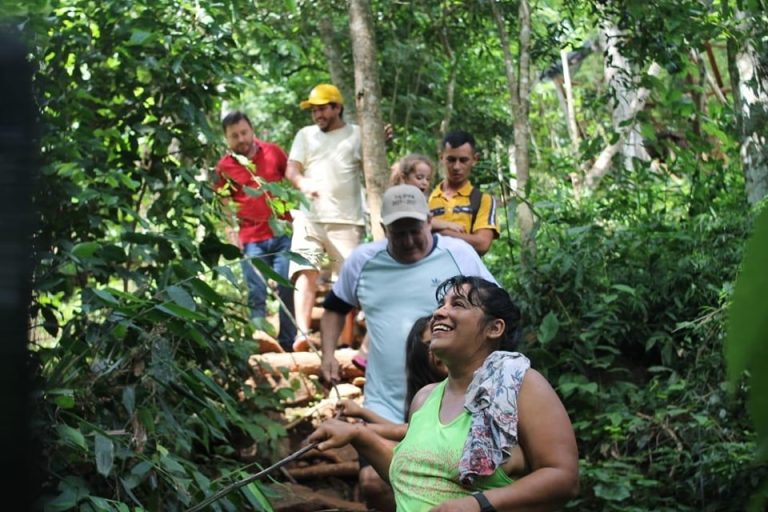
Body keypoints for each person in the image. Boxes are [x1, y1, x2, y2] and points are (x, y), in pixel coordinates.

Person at [310, 275, 580, 511]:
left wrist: (478, 504)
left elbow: (563, 477)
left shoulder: (520, 385)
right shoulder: (425, 398)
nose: (439, 312)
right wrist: (358, 435)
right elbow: (417, 476)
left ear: (494, 328)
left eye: (458, 305)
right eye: (440, 305)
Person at [320, 184, 497, 511]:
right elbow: (333, 308)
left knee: (448, 482)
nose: (408, 240)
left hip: (450, 401)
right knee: (375, 482)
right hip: (385, 400)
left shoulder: (458, 254)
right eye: (398, 233)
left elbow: (496, 312)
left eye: (415, 230)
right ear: (384, 229)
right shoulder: (363, 261)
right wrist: (328, 354)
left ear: (430, 221)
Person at [285, 84, 365, 351]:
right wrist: (303, 183)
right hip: (310, 217)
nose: (317, 114)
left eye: (321, 109)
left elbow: (373, 167)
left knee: (345, 281)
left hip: (347, 220)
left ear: (337, 107)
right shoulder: (305, 135)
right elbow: (292, 169)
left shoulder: (357, 134)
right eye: (314, 110)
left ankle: (344, 343)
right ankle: (303, 334)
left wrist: (380, 140)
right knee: (304, 271)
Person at [214, 111, 296, 351]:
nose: (241, 139)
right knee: (256, 293)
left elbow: (292, 178)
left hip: (282, 233)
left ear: (251, 130)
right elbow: (223, 202)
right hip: (250, 239)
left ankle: (288, 343)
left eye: (243, 132)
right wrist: (231, 232)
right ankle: (259, 343)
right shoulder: (224, 167)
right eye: (234, 136)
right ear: (227, 139)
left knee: (286, 288)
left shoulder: (273, 152)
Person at [428, 130, 500, 256]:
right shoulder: (426, 198)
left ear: (474, 159)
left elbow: (482, 243)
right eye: (451, 160)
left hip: (465, 272)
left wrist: (441, 233)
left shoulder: (483, 200)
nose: (456, 167)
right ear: (441, 158)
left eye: (463, 160)